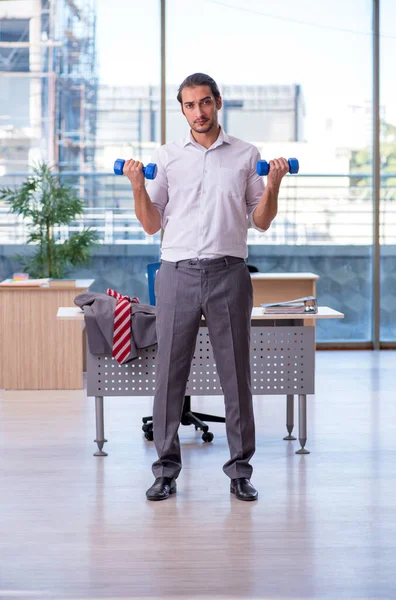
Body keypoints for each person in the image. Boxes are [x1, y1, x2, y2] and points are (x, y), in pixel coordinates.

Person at [123, 73, 289, 502]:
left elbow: (262, 220)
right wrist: (138, 187)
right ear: (182, 109)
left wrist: (273, 185)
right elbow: (150, 223)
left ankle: (239, 472)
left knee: (236, 375)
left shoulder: (245, 154)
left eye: (205, 103)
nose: (198, 112)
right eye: (189, 105)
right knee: (169, 377)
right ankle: (165, 471)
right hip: (176, 272)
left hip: (229, 272)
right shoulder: (168, 156)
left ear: (218, 103)